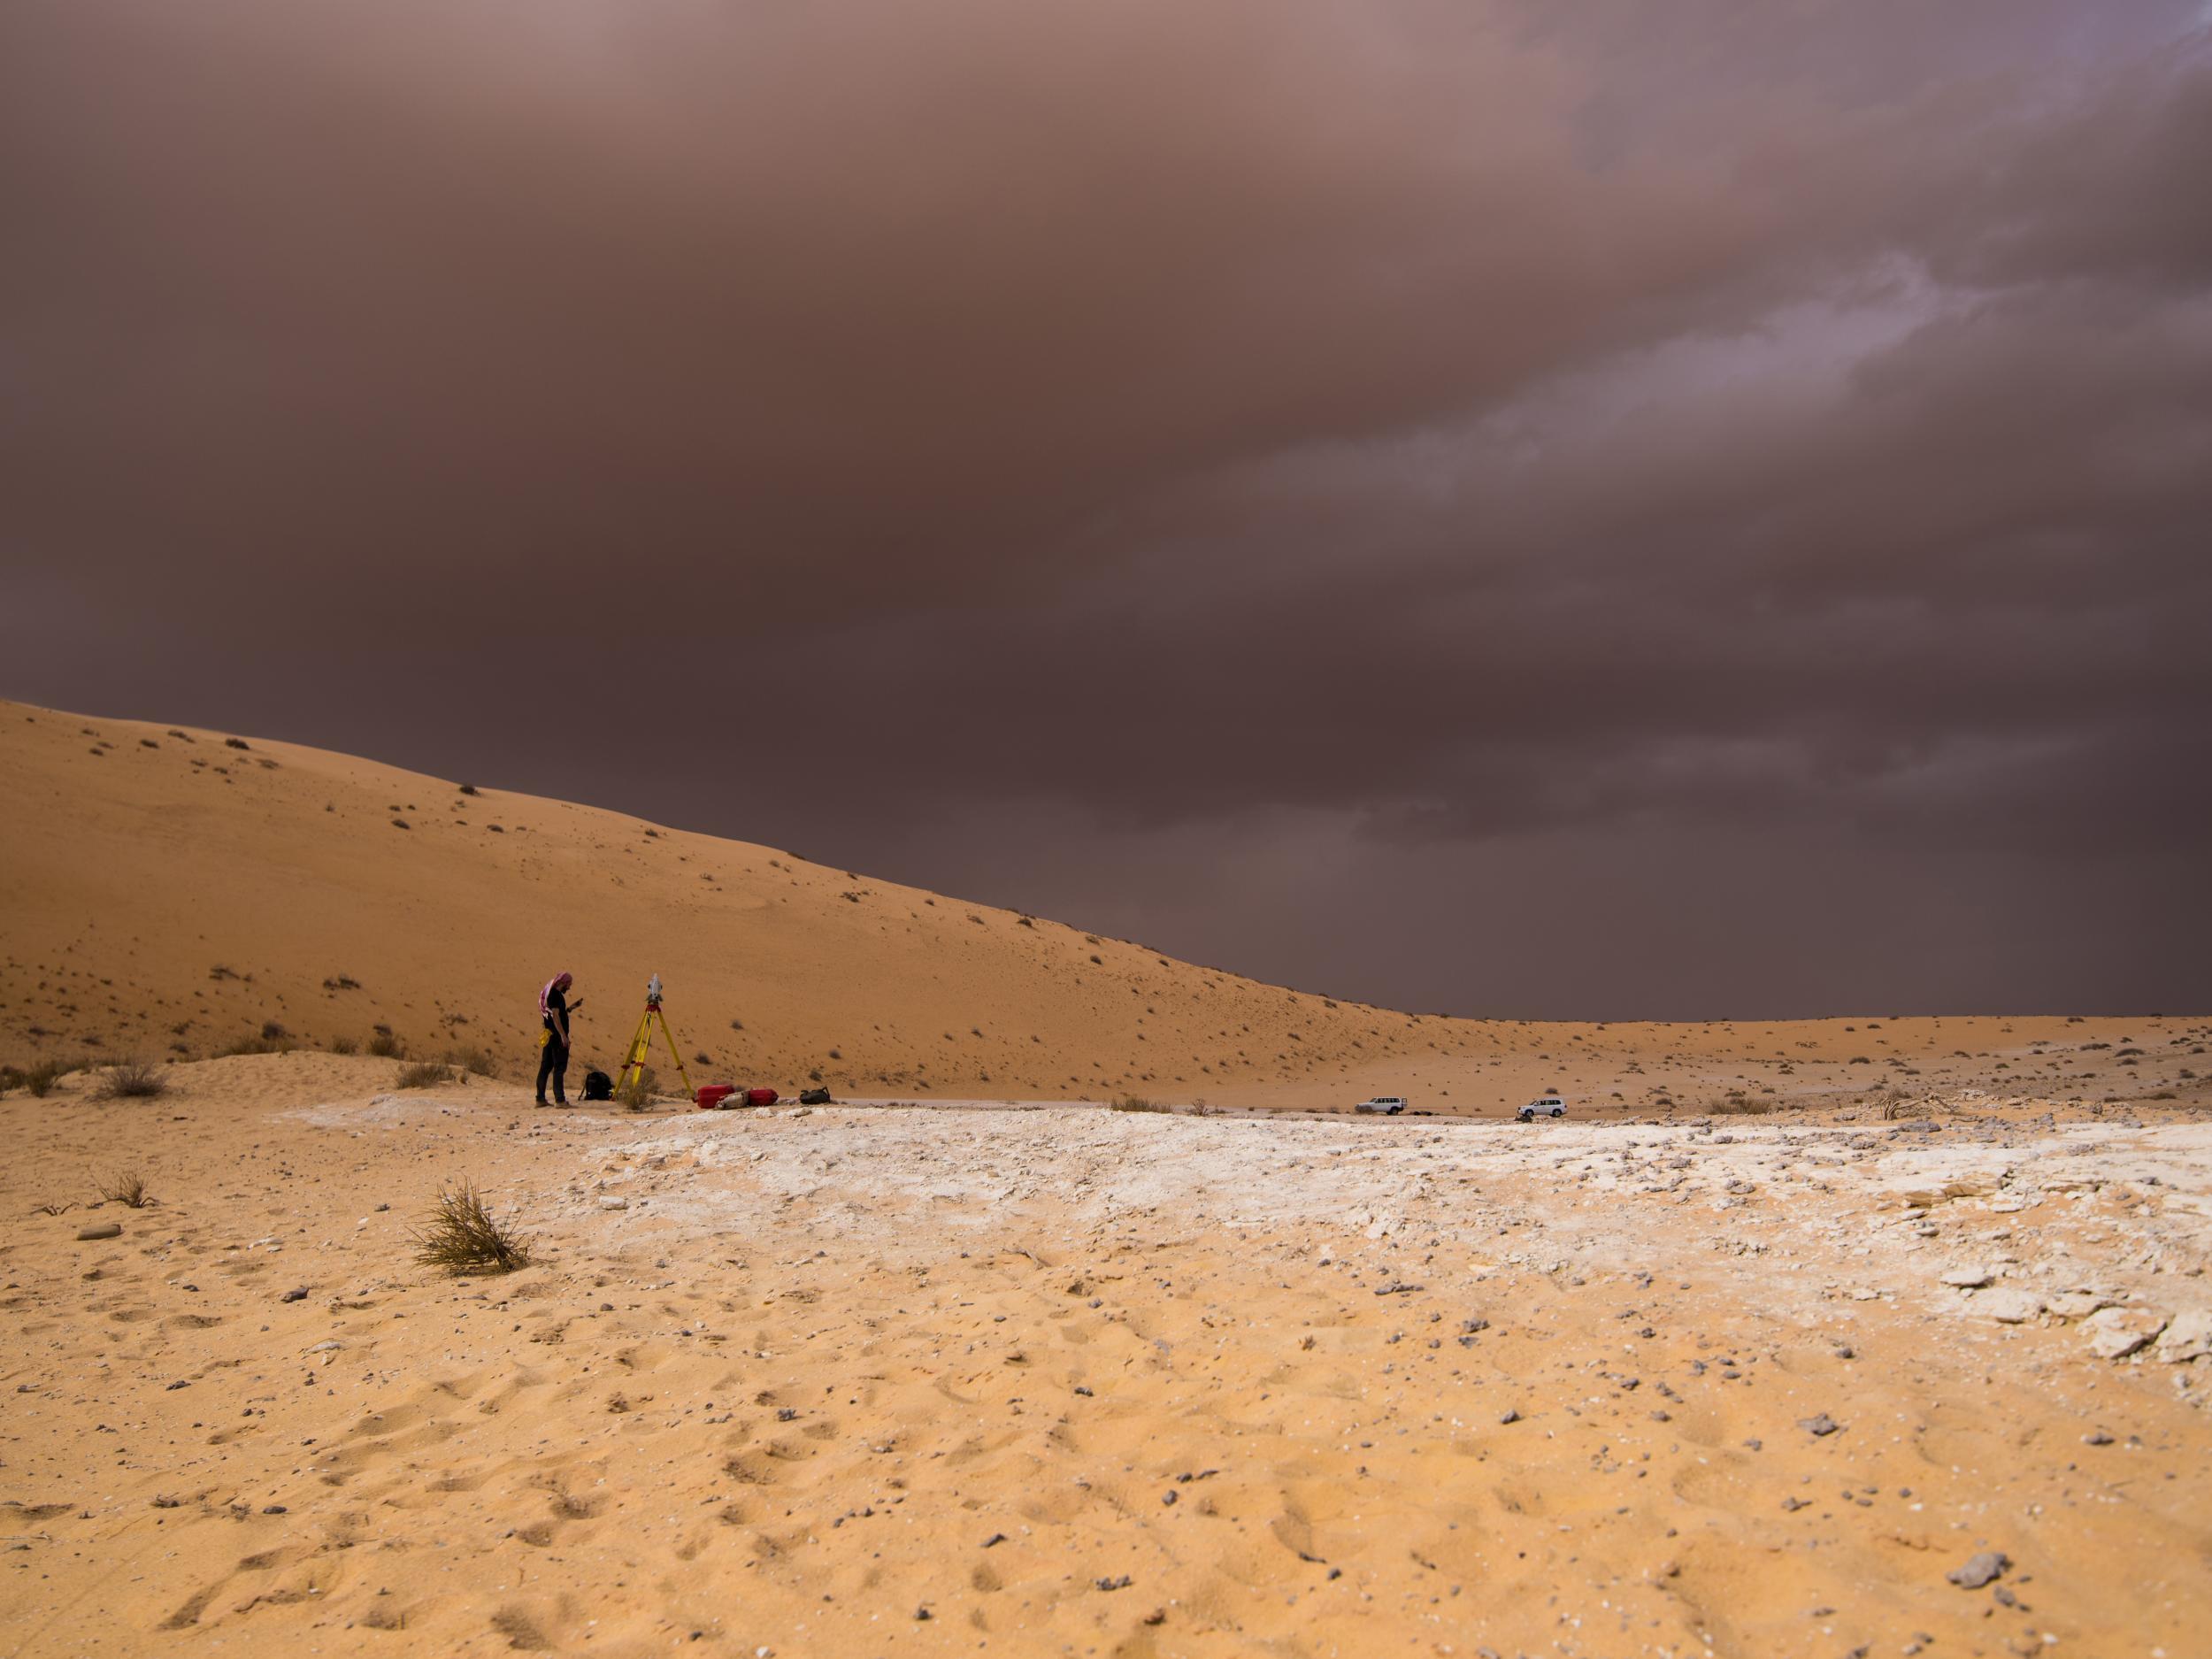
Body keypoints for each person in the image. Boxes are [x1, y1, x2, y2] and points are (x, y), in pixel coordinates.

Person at [536, 972, 582, 1106]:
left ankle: (540, 1099)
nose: (569, 988)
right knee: (559, 1068)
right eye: (568, 985)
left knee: (545, 1067)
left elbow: (558, 1014)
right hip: (557, 1037)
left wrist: (571, 1008)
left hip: (549, 1036)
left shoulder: (552, 995)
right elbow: (556, 1017)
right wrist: (563, 1036)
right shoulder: (556, 996)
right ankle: (560, 1100)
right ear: (563, 983)